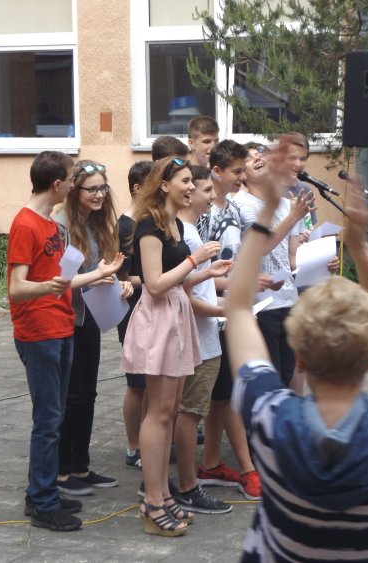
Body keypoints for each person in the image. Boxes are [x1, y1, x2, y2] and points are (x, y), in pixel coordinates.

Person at [225, 136, 368, 561]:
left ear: (299, 358)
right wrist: (360, 248)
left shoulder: (270, 418)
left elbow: (238, 309)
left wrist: (266, 211)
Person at [7, 151, 123, 532]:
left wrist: (100, 274)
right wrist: (49, 286)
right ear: (57, 185)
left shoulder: (48, 224)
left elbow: (66, 280)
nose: (75, 185)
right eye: (72, 179)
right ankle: (44, 503)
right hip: (39, 334)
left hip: (61, 328)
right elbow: (17, 288)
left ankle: (40, 494)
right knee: (48, 421)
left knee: (53, 418)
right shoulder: (26, 224)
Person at [120, 156, 220, 537]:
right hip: (159, 320)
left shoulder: (173, 223)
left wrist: (206, 272)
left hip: (175, 315)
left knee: (170, 409)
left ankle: (162, 494)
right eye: (185, 181)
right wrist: (196, 259)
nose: (191, 187)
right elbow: (156, 284)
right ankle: (152, 501)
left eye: (192, 182)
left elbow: (176, 280)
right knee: (159, 412)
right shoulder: (149, 226)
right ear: (164, 185)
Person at [52, 160, 132, 495]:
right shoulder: (60, 224)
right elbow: (56, 280)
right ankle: (61, 472)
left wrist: (120, 282)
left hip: (91, 316)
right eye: (92, 189)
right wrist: (96, 277)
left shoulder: (98, 222)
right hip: (65, 320)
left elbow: (105, 267)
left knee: (88, 394)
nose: (99, 195)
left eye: (103, 188)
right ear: (74, 190)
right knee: (72, 395)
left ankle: (81, 467)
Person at [196, 140, 263, 500]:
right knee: (224, 393)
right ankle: (247, 468)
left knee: (223, 394)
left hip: (233, 310)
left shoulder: (234, 210)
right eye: (237, 171)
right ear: (217, 171)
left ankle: (210, 463)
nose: (242, 176)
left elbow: (236, 260)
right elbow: (200, 274)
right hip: (212, 313)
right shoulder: (201, 214)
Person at [173, 165, 234, 514]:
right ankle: (187, 485)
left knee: (189, 410)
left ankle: (181, 482)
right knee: (190, 412)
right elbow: (184, 292)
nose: (213, 195)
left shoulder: (192, 231)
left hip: (205, 332)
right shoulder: (187, 235)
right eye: (207, 190)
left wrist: (222, 299)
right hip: (199, 337)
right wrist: (221, 311)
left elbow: (198, 285)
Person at [235, 143, 312, 391]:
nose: (258, 159)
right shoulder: (241, 204)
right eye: (250, 158)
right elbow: (260, 247)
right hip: (261, 303)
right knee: (269, 377)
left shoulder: (288, 204)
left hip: (288, 299)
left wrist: (320, 261)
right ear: (241, 174)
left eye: (261, 155)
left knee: (288, 374)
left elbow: (292, 258)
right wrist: (293, 217)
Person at [117, 160, 153, 470]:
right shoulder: (126, 225)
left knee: (151, 381)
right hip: (132, 310)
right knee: (137, 383)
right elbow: (122, 277)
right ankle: (134, 446)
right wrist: (157, 278)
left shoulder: (149, 222)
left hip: (152, 307)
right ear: (138, 188)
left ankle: (150, 439)